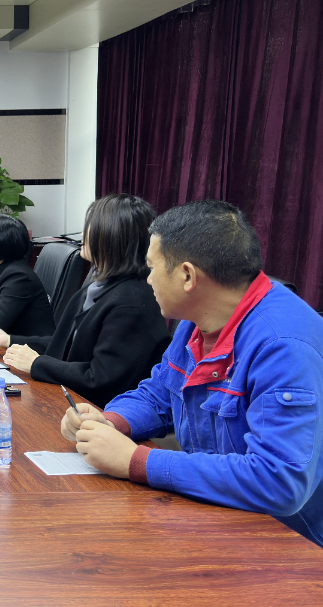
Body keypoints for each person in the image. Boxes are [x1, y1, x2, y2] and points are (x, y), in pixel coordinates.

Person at [60, 200, 323, 547]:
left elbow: (280, 481)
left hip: (289, 542)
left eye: (151, 267)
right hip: (216, 516)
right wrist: (110, 422)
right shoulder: (197, 320)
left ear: (187, 276)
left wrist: (136, 461)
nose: (148, 279)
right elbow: (161, 393)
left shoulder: (283, 347)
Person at [0, 194, 169, 407]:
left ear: (111, 236)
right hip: (70, 399)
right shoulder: (97, 286)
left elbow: (101, 379)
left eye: (89, 227)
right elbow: (65, 345)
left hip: (98, 412)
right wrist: (8, 340)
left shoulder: (130, 303)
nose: (82, 234)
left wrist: (37, 364)